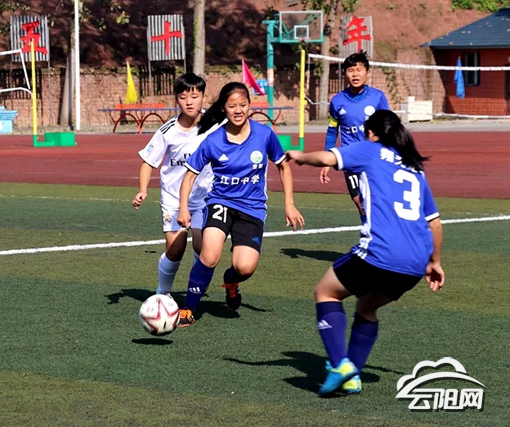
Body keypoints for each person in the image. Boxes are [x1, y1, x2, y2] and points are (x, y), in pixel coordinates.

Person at [285, 109, 445, 396]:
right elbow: (434, 223)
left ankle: (340, 365)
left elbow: (328, 158)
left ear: (372, 133)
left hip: (379, 253)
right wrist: (435, 262)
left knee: (326, 292)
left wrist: (300, 156)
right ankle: (353, 377)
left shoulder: (371, 150)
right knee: (366, 308)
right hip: (415, 264)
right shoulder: (415, 167)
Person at [176, 82, 305, 327]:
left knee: (244, 267)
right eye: (232, 106)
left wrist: (289, 204)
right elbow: (190, 175)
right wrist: (183, 207)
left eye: (243, 105)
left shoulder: (264, 135)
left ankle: (231, 282)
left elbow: (283, 166)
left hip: (252, 209)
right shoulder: (213, 140)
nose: (238, 110)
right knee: (209, 255)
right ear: (223, 109)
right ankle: (188, 308)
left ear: (249, 106)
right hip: (221, 203)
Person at [132, 73, 221, 296]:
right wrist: (143, 190)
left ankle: (195, 288)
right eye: (183, 97)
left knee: (202, 246)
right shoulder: (167, 130)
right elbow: (147, 162)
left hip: (204, 197)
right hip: (173, 198)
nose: (189, 102)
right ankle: (162, 293)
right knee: (175, 249)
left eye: (194, 96)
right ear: (176, 99)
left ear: (203, 97)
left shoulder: (215, 124)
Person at [322, 51, 389, 218]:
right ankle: (368, 231)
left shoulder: (378, 97)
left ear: (367, 72)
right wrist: (327, 160)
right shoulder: (337, 101)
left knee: (379, 203)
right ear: (345, 74)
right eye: (351, 70)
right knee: (361, 204)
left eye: (359, 70)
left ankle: (380, 232)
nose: (355, 74)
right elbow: (332, 131)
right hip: (351, 159)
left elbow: (388, 127)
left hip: (374, 157)